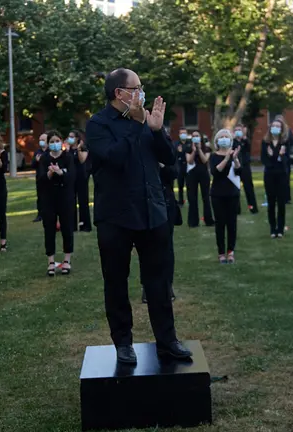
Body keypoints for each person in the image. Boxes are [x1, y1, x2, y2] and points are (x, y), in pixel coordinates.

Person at [86, 67, 191, 364]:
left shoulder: (146, 121)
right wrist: (136, 124)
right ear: (120, 93)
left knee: (158, 282)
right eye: (136, 88)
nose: (141, 92)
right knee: (117, 281)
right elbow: (115, 158)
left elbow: (169, 160)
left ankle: (167, 341)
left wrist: (156, 131)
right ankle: (123, 342)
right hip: (116, 216)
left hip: (152, 213)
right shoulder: (98, 124)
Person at [143, 161, 181, 303]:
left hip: (166, 203)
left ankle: (167, 285)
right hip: (145, 203)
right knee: (146, 247)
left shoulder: (164, 146)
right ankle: (147, 287)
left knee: (166, 247)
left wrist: (162, 165)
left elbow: (174, 173)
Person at [38, 132, 76, 276]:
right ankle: (51, 262)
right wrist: (49, 174)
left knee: (67, 227)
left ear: (61, 142)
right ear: (48, 144)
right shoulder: (44, 158)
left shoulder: (68, 157)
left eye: (57, 140)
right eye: (52, 141)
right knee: (49, 229)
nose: (55, 143)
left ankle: (67, 260)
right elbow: (40, 179)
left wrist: (60, 172)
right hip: (48, 198)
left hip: (65, 197)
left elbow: (72, 176)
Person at [210, 129, 242, 263]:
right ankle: (221, 252)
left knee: (232, 224)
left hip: (232, 194)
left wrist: (234, 159)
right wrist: (227, 158)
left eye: (226, 137)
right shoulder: (214, 156)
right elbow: (216, 172)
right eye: (221, 137)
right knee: (220, 224)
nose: (224, 139)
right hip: (217, 194)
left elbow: (240, 171)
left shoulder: (234, 155)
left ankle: (230, 251)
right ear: (217, 141)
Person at [262, 119, 289, 238]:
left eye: (278, 126)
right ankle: (273, 228)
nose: (276, 128)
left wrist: (277, 156)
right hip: (269, 175)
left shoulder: (285, 142)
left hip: (282, 175)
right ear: (270, 127)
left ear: (281, 128)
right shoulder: (265, 142)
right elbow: (265, 160)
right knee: (271, 203)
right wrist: (276, 157)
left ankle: (280, 228)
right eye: (274, 126)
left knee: (281, 203)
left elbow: (285, 161)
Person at [185, 130, 214, 227]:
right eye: (193, 136)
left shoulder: (207, 148)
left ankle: (208, 220)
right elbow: (189, 161)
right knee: (192, 198)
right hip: (191, 174)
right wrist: (194, 150)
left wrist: (199, 149)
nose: (195, 137)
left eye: (197, 136)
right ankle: (193, 222)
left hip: (203, 174)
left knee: (206, 197)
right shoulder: (188, 148)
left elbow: (205, 160)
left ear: (201, 137)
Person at [69, 130, 92, 232]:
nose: (70, 138)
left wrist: (78, 149)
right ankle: (72, 225)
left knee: (83, 201)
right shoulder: (68, 150)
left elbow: (82, 160)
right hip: (71, 177)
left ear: (77, 138)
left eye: (72, 136)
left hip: (81, 177)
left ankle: (85, 225)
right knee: (71, 201)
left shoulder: (83, 148)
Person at [233, 124, 258, 214]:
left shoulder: (246, 141)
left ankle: (253, 208)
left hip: (245, 167)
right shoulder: (232, 142)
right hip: (235, 167)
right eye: (236, 130)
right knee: (235, 189)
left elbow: (248, 148)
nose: (238, 131)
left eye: (239, 129)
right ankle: (236, 209)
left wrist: (244, 138)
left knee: (249, 188)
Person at [32, 133, 48, 222]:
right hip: (40, 178)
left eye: (43, 140)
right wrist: (36, 161)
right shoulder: (37, 152)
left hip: (49, 177)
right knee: (40, 197)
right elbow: (33, 165)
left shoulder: (50, 151)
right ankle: (40, 214)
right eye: (40, 140)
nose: (41, 142)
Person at [175, 128, 189, 205]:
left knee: (189, 185)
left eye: (184, 133)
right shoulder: (176, 144)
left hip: (188, 167)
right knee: (180, 186)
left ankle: (189, 200)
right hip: (180, 167)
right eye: (181, 133)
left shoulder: (189, 143)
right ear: (179, 135)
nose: (183, 135)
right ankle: (181, 201)